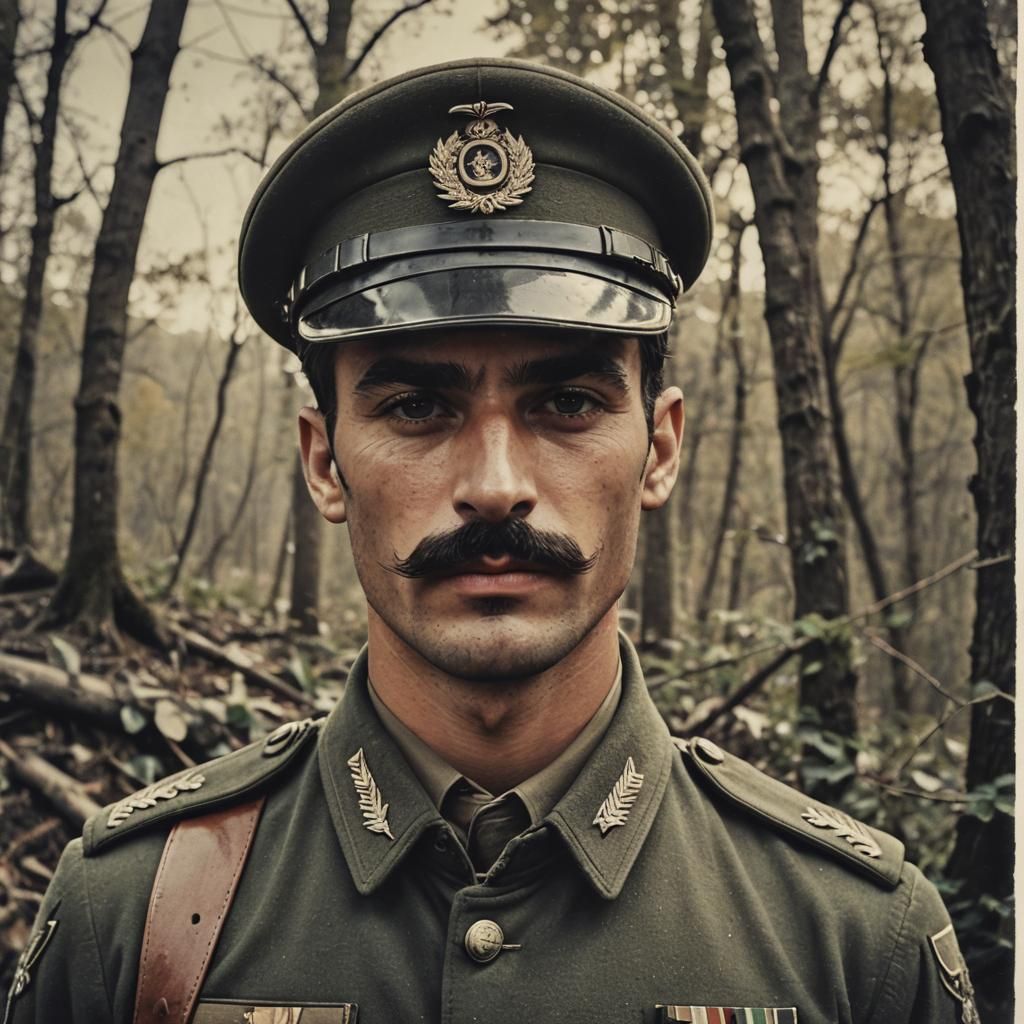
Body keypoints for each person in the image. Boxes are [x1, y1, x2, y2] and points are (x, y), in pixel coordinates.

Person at [4, 58, 977, 1024]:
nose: (496, 487)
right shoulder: (130, 918)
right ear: (322, 461)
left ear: (660, 448)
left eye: (567, 401)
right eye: (417, 405)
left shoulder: (854, 943)